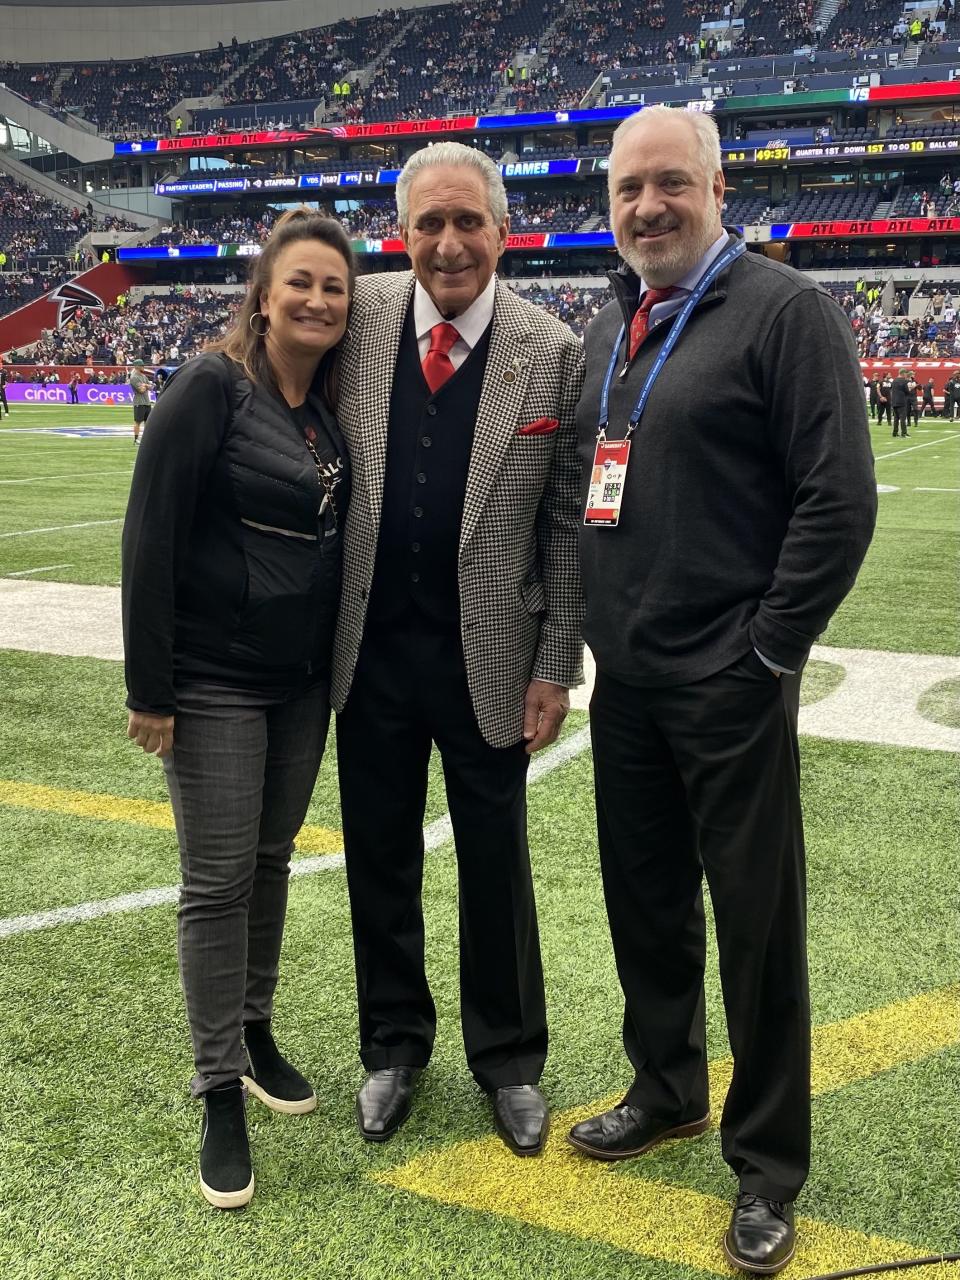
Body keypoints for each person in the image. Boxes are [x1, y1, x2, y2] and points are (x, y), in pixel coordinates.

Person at [570, 105, 876, 1274]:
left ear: (714, 187)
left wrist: (766, 652)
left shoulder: (787, 311)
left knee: (756, 928)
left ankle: (766, 1164)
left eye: (669, 185)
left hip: (730, 684)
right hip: (630, 683)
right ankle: (668, 1086)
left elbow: (837, 500)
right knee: (645, 901)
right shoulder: (614, 318)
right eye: (628, 190)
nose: (648, 206)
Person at [332, 141, 584, 1158]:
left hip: (489, 650)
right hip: (370, 648)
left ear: (502, 230)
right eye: (428, 223)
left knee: (495, 862)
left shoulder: (551, 349)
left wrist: (556, 662)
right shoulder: (360, 317)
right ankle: (393, 1042)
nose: (447, 243)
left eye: (466, 221)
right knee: (378, 858)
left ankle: (510, 1056)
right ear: (403, 232)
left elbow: (564, 525)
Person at [121, 209, 354, 1210]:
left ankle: (254, 1027)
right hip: (212, 678)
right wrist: (151, 687)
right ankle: (219, 1086)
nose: (316, 299)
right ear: (263, 294)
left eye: (334, 288)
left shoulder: (323, 413)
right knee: (216, 881)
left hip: (300, 686)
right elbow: (150, 532)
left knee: (268, 859)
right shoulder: (211, 386)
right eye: (299, 281)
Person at [128, 360, 153, 443]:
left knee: (148, 422)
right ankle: (136, 439)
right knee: (138, 421)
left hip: (147, 402)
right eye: (142, 365)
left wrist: (145, 385)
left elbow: (151, 387)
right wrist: (146, 385)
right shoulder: (134, 377)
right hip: (139, 402)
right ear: (137, 366)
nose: (143, 367)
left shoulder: (143, 376)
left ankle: (147, 439)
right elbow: (141, 390)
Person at [890, 367, 911, 437]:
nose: (906, 375)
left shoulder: (894, 380)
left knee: (896, 418)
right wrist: (910, 389)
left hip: (894, 401)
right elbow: (907, 392)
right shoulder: (904, 381)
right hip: (901, 401)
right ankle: (903, 433)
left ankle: (895, 433)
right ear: (903, 373)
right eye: (906, 374)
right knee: (902, 418)